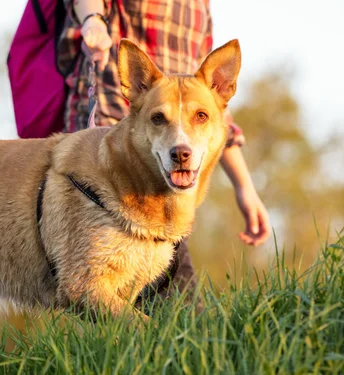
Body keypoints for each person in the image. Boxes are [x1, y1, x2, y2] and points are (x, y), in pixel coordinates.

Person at [38, 0, 271, 300]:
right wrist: (93, 19)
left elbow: (211, 112)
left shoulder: (198, 7)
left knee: (131, 303)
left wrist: (245, 187)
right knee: (150, 298)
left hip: (167, 175)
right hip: (110, 150)